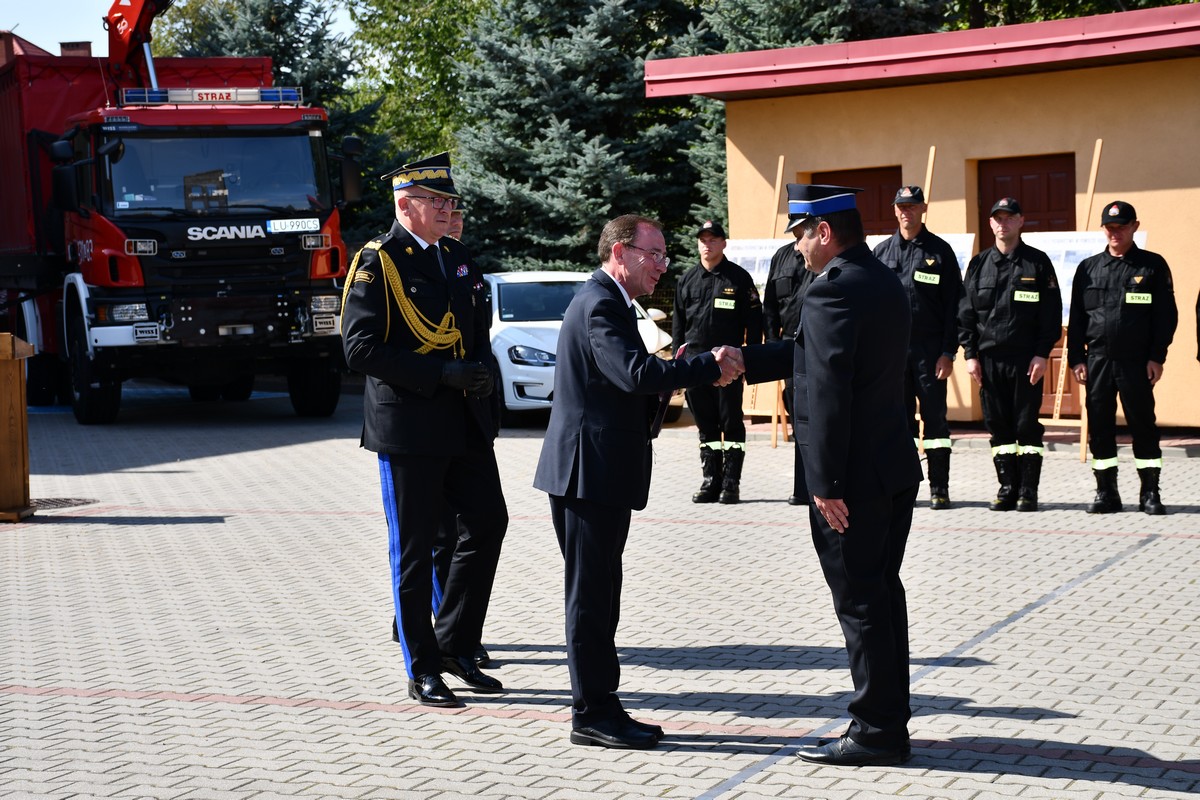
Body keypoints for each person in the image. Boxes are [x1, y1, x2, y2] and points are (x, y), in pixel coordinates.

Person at [533, 214, 742, 750]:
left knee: (604, 594)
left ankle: (603, 705)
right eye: (654, 254)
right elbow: (633, 374)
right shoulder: (600, 303)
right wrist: (704, 367)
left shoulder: (615, 303)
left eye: (665, 255)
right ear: (620, 253)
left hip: (602, 472)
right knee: (590, 598)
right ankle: (592, 713)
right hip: (586, 473)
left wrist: (680, 366)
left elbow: (625, 382)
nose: (662, 265)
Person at [742, 184, 923, 766]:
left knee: (861, 604)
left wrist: (824, 485)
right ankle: (889, 719)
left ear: (824, 232)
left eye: (800, 235)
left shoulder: (830, 290)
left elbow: (827, 392)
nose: (796, 248)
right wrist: (741, 360)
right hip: (891, 467)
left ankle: (874, 731)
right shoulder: (882, 279)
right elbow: (811, 355)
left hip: (851, 482)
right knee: (883, 596)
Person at [341, 152, 508, 708]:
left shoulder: (455, 256)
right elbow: (359, 348)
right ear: (405, 204)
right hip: (409, 426)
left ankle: (455, 643)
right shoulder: (379, 261)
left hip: (464, 420)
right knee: (413, 551)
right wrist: (440, 373)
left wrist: (482, 382)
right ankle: (422, 667)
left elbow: (474, 332)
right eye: (436, 201)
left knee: (487, 522)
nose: (446, 209)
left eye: (449, 201)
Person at [1067, 201, 1177, 515]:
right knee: (1100, 427)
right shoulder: (1088, 268)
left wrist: (1157, 357)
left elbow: (1165, 317)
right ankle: (1106, 493)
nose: (1115, 232)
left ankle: (1150, 493)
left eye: (1122, 226)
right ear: (1103, 229)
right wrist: (1076, 358)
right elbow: (1077, 318)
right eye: (1110, 227)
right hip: (1098, 361)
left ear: (1134, 227)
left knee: (1143, 425)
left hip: (1136, 362)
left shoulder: (1152, 266)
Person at [959, 197, 1062, 512]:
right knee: (998, 425)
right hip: (989, 361)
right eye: (998, 218)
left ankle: (1028, 491)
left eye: (1009, 218)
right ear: (991, 223)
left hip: (1026, 360)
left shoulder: (1037, 263)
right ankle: (1007, 488)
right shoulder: (978, 265)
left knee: (1026, 424)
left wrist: (1042, 354)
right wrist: (970, 354)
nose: (1003, 224)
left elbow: (1050, 314)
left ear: (1020, 221)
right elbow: (965, 314)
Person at [873, 185, 964, 509]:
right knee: (899, 423)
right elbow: (870, 307)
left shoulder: (940, 252)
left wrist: (948, 352)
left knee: (935, 422)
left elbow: (955, 307)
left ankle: (939, 488)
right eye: (901, 206)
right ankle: (903, 487)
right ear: (894, 210)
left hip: (930, 352)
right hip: (893, 354)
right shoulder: (881, 253)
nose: (906, 212)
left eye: (912, 206)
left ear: (923, 208)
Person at [672, 220, 763, 504]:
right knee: (706, 427)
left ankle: (731, 483)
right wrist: (677, 366)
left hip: (729, 367)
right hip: (695, 367)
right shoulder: (687, 280)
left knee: (731, 423)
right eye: (703, 239)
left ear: (724, 243)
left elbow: (754, 322)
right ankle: (711, 481)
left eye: (713, 239)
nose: (707, 245)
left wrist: (751, 361)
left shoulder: (738, 279)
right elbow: (678, 326)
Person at [762, 200, 817, 506]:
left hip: (817, 349)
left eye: (801, 231)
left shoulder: (821, 257)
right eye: (794, 231)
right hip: (788, 348)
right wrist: (772, 346)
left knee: (818, 418)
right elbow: (770, 306)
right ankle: (802, 488)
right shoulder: (781, 257)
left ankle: (818, 485)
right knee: (799, 419)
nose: (798, 239)